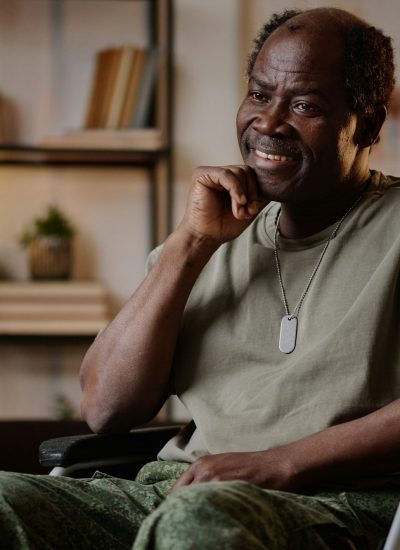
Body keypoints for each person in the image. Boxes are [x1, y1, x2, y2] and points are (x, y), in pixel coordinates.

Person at [1, 6, 400, 549]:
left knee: (197, 522)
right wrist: (191, 242)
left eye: (305, 104)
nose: (269, 123)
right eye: (260, 95)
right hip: (175, 492)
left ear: (368, 123)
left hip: (339, 506)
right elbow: (106, 408)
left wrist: (281, 463)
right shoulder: (207, 236)